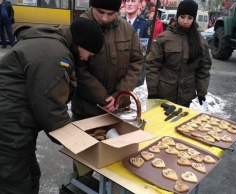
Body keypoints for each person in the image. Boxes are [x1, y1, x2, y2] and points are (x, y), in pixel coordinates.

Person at [0, 18, 104, 194]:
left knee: (31, 174)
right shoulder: (55, 55)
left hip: (16, 123)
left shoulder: (54, 43)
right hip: (9, 127)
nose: (86, 59)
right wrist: (77, 141)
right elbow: (49, 107)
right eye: (90, 54)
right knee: (16, 184)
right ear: (81, 44)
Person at [71, 0, 143, 119]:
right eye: (100, 12)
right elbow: (78, 69)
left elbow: (136, 62)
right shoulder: (80, 26)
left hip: (119, 107)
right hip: (87, 109)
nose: (105, 18)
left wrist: (120, 95)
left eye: (111, 14)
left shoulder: (127, 29)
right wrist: (104, 98)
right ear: (93, 7)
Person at [145, 0, 212, 107]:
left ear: (194, 18)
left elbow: (203, 70)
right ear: (177, 16)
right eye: (182, 17)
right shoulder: (164, 38)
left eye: (190, 18)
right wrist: (152, 92)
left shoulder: (200, 42)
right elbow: (153, 66)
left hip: (186, 97)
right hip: (164, 94)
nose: (185, 21)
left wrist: (201, 93)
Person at [125, 0, 150, 86]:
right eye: (127, 1)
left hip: (135, 67)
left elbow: (144, 50)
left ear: (139, 5)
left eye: (133, 1)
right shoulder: (118, 22)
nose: (129, 4)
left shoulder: (144, 24)